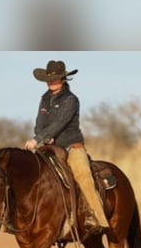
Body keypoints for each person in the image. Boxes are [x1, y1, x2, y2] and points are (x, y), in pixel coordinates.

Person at [25, 60, 109, 232]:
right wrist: (42, 137)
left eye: (55, 78)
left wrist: (39, 138)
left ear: (63, 79)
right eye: (49, 78)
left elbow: (60, 123)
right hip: (49, 147)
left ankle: (98, 218)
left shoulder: (71, 100)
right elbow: (39, 123)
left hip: (71, 146)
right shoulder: (44, 99)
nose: (52, 82)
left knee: (83, 176)